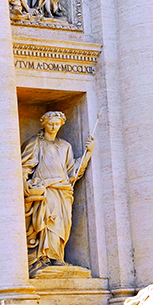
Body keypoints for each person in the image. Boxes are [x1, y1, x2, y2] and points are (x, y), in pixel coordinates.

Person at [21, 110, 93, 274]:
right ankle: (43, 258)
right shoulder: (35, 143)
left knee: (62, 225)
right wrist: (26, 184)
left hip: (63, 190)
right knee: (48, 222)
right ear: (43, 123)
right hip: (46, 189)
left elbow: (72, 171)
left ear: (61, 124)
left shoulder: (65, 146)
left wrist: (88, 153)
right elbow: (24, 166)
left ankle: (57, 257)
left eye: (57, 123)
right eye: (50, 123)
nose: (53, 126)